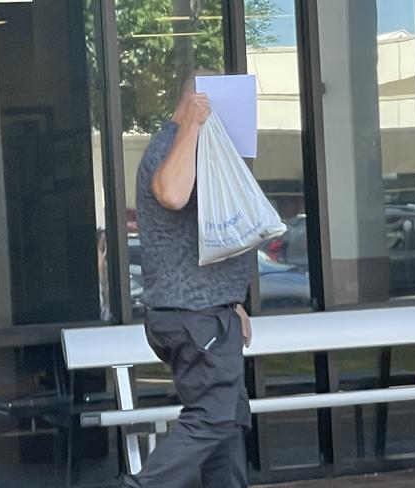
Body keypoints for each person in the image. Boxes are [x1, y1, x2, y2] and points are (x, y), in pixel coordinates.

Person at [123, 72, 254, 488]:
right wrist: (194, 123)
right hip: (195, 319)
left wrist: (233, 302)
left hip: (209, 314)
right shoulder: (176, 143)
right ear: (195, 101)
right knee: (212, 416)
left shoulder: (198, 148)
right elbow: (171, 193)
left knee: (228, 421)